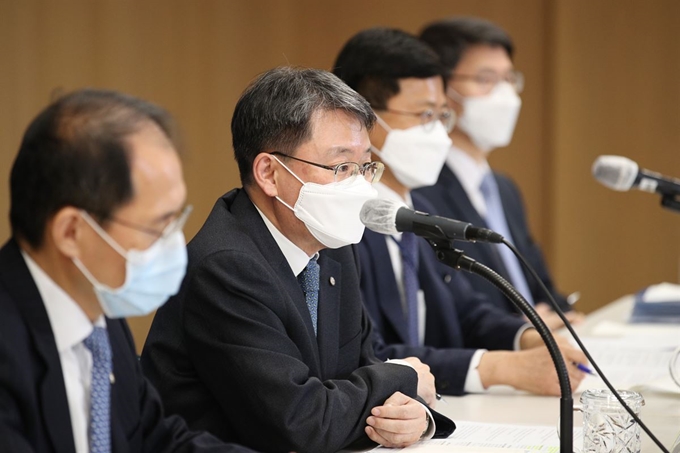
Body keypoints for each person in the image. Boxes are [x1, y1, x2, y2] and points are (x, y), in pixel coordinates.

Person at [141, 67, 455, 453]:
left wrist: (412, 417)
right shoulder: (226, 267)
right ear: (269, 173)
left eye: (365, 166)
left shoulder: (332, 245)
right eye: (341, 167)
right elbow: (303, 423)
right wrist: (401, 376)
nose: (359, 186)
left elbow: (363, 371)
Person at [333, 27, 588, 397]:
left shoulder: (422, 209)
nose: (438, 132)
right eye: (423, 116)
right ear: (365, 120)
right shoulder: (342, 225)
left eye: (441, 116)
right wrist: (497, 367)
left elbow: (465, 309)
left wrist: (529, 337)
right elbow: (369, 354)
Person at [0, 89, 256, 452]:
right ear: (72, 232)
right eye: (157, 227)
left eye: (176, 220)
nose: (174, 242)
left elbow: (156, 437)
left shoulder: (100, 311)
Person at [416, 18, 583, 329]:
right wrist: (522, 331)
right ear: (440, 88)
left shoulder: (505, 190)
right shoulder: (421, 191)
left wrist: (565, 318)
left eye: (508, 78)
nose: (505, 95)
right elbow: (452, 312)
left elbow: (542, 289)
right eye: (486, 79)